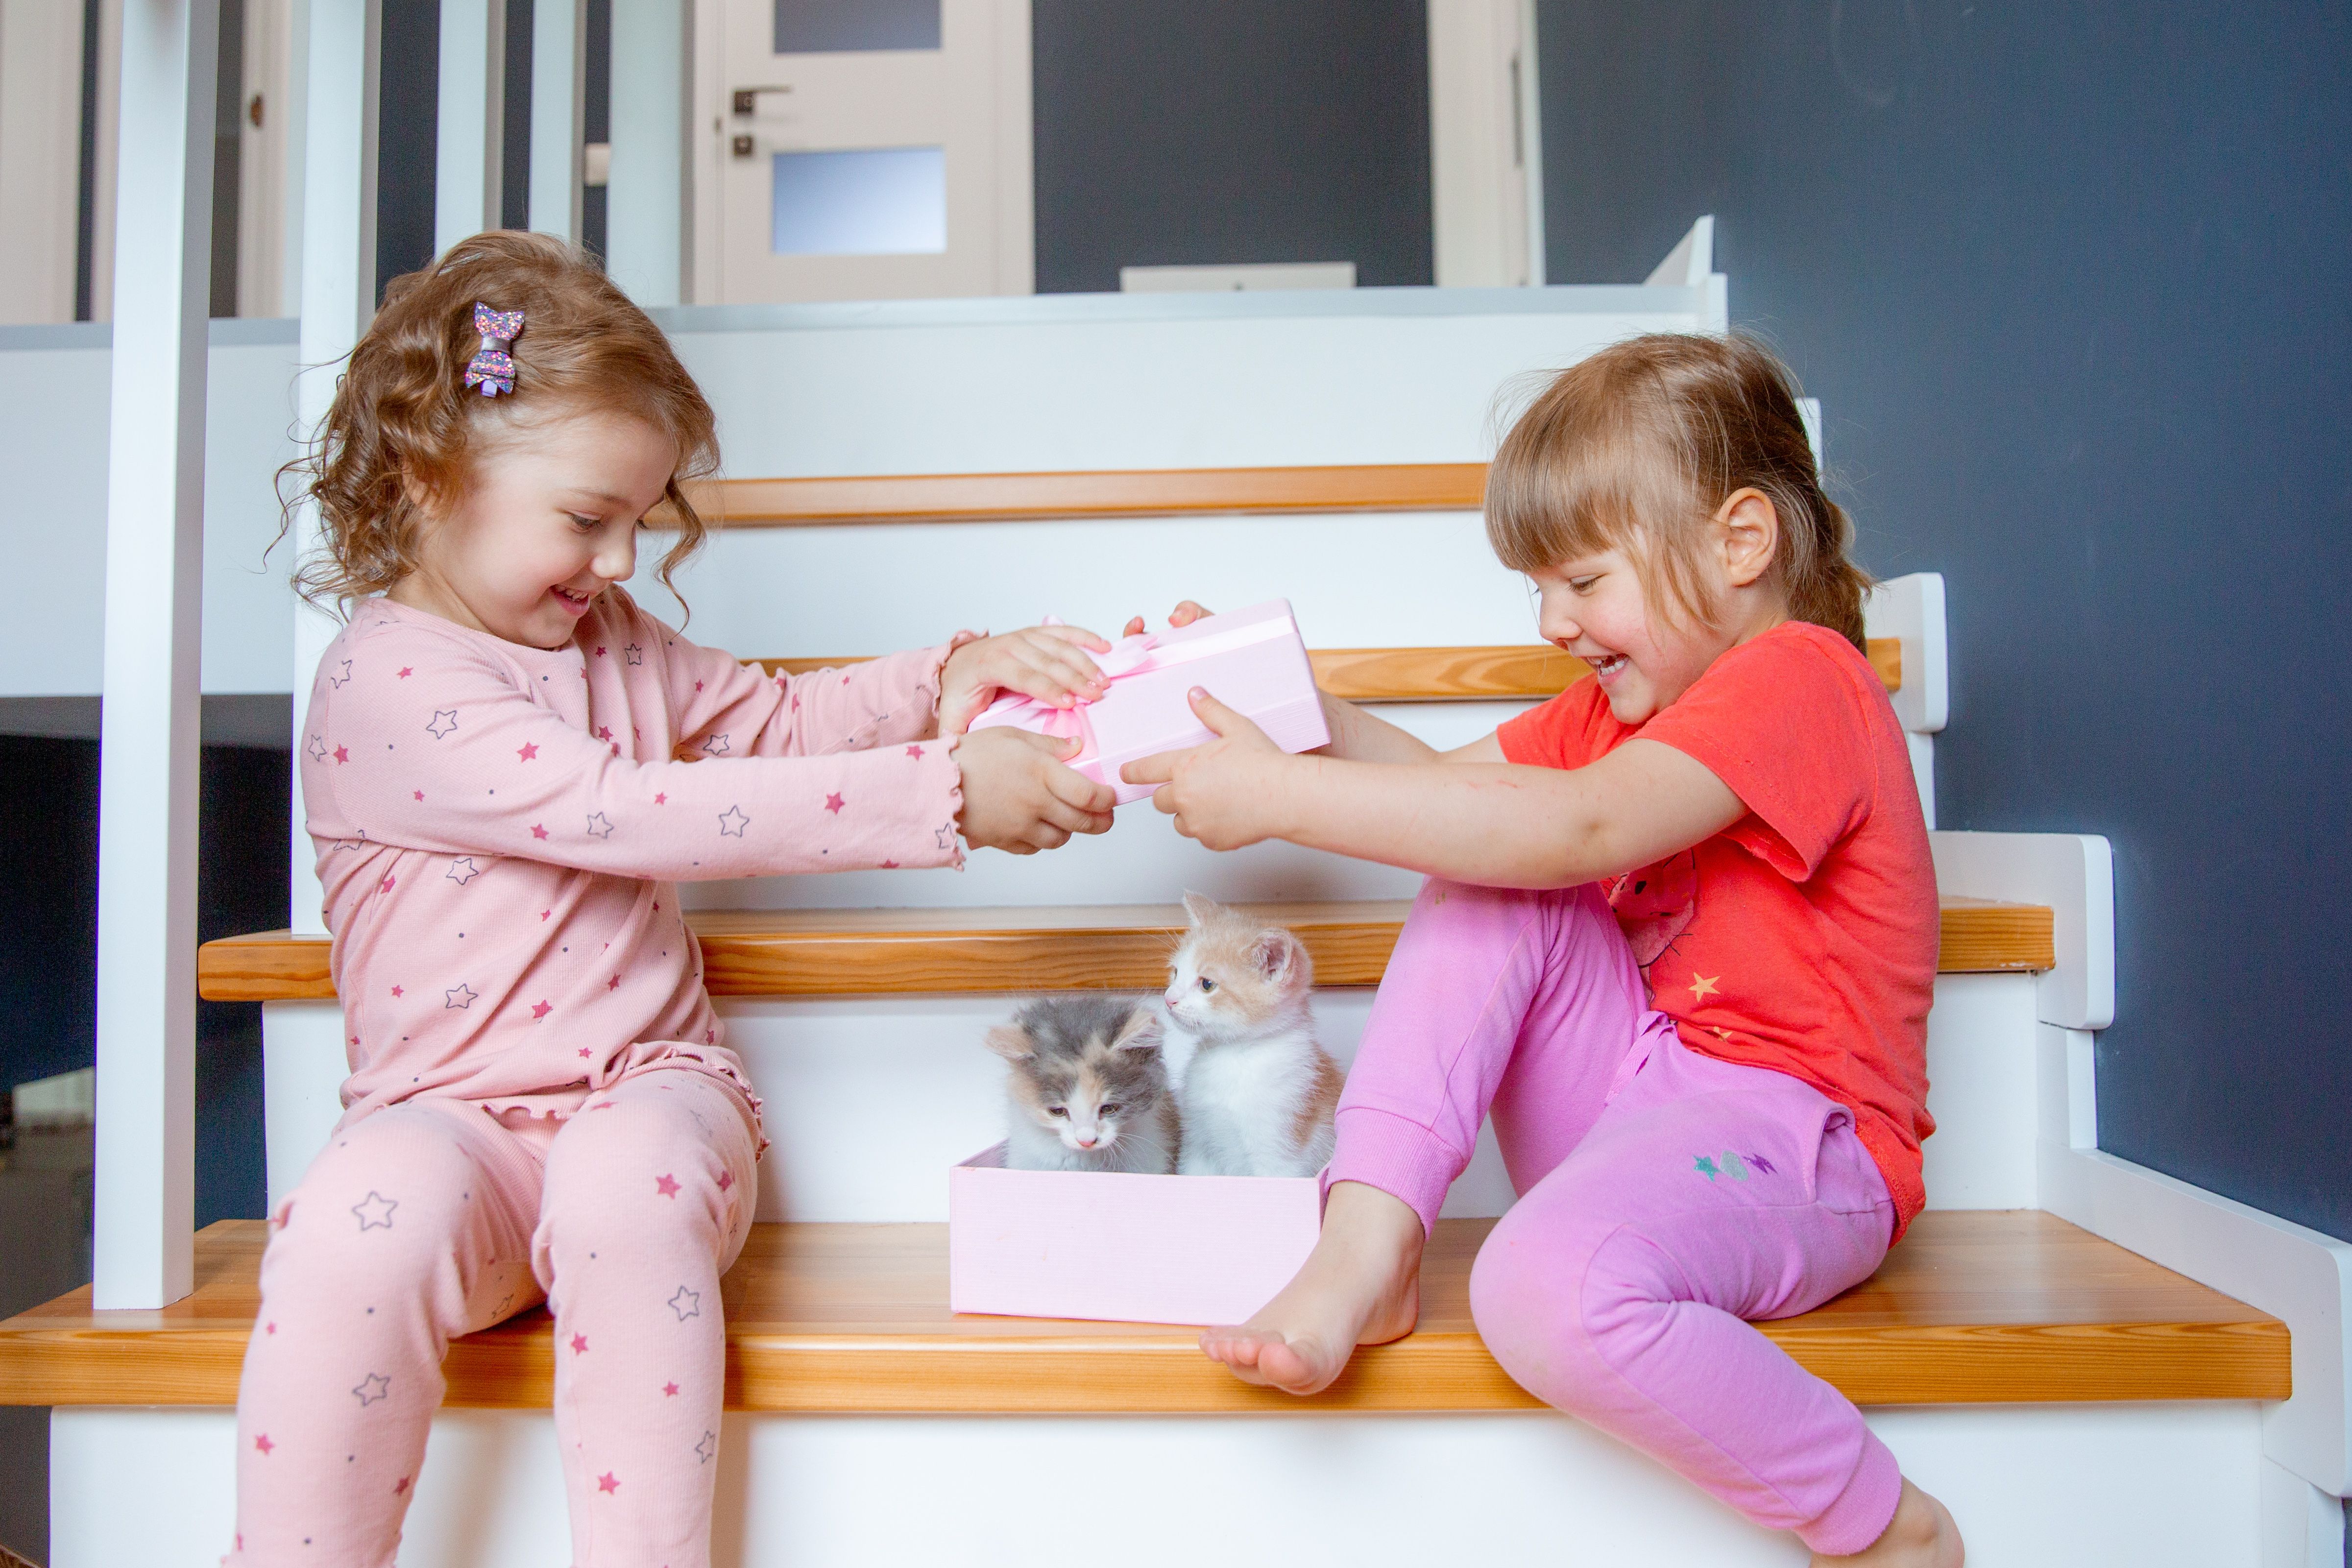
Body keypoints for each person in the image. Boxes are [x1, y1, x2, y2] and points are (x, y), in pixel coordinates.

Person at [229, 230, 1120, 1568]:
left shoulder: (611, 638)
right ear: (426, 481)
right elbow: (629, 812)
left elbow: (769, 720)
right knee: (366, 1217)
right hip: (450, 1123)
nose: (623, 561)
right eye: (589, 520)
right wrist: (937, 792)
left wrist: (945, 673)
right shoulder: (388, 683)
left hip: (647, 1087)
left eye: (642, 522)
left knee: (624, 1185)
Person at [1127, 334, 1964, 1567]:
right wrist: (1295, 712)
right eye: (1538, 588)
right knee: (1485, 866)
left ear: (1740, 542)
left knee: (1539, 1289)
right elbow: (1446, 797)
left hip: (1799, 1143)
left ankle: (1883, 1520)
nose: (1551, 621)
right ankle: (1371, 1239)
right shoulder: (1625, 706)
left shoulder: (1803, 679)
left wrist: (1276, 799)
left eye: (1581, 580)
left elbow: (1579, 826)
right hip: (1635, 1100)